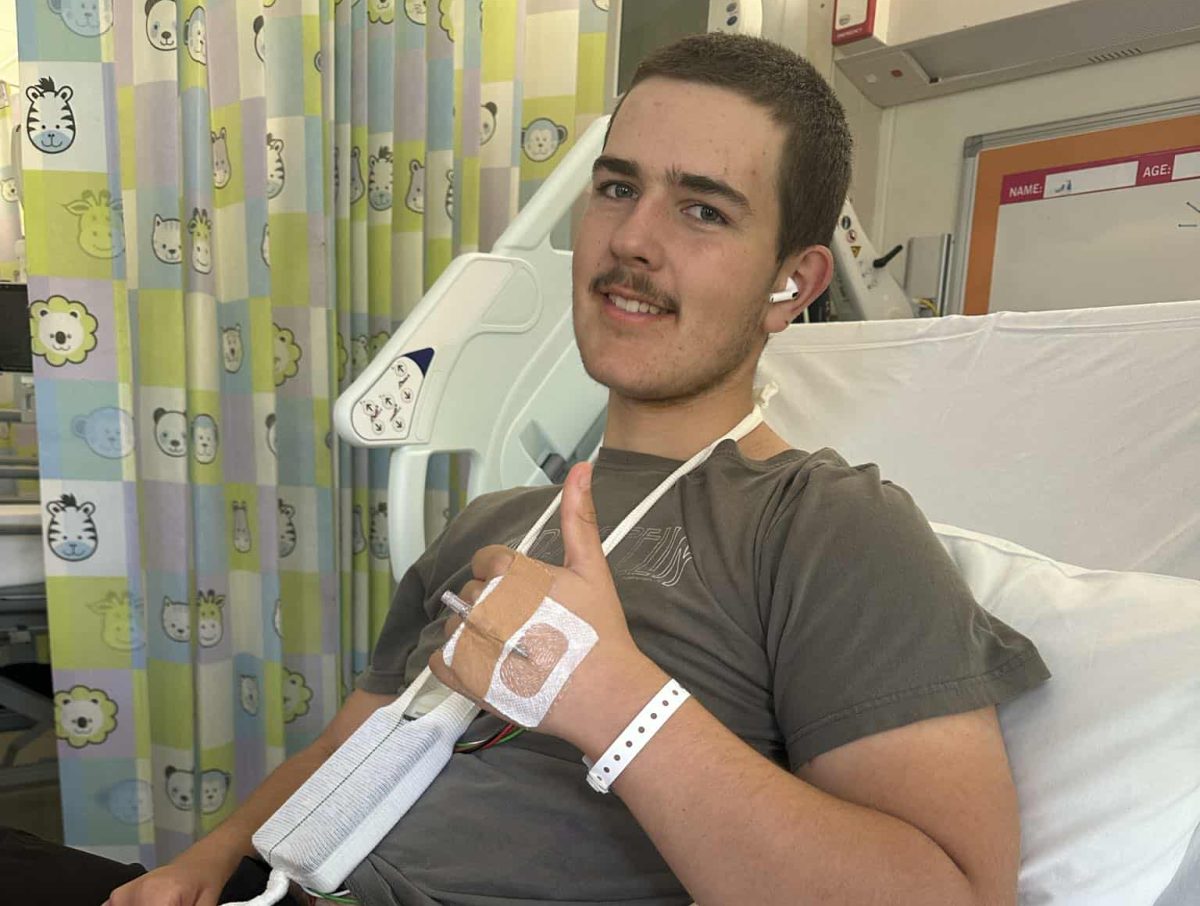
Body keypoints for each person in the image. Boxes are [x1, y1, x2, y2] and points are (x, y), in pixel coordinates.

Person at [9, 32, 1048, 906]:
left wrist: (614, 701)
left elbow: (951, 891)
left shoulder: (827, 526)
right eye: (616, 187)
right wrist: (212, 854)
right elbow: (356, 742)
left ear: (794, 281)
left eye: (702, 209)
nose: (631, 240)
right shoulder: (495, 522)